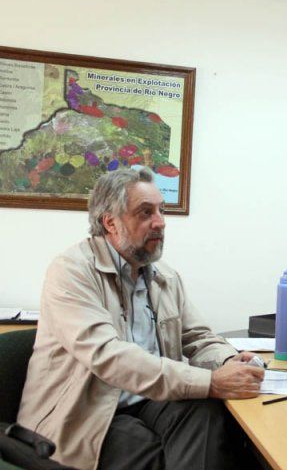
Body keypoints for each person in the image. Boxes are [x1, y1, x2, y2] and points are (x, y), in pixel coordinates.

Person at [18, 167, 265, 470]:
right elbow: (109, 356)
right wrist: (210, 382)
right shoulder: (72, 272)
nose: (160, 222)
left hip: (148, 400)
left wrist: (229, 361)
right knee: (159, 453)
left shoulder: (165, 277)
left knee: (211, 417)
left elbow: (198, 337)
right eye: (145, 212)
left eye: (162, 210)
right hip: (86, 414)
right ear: (110, 222)